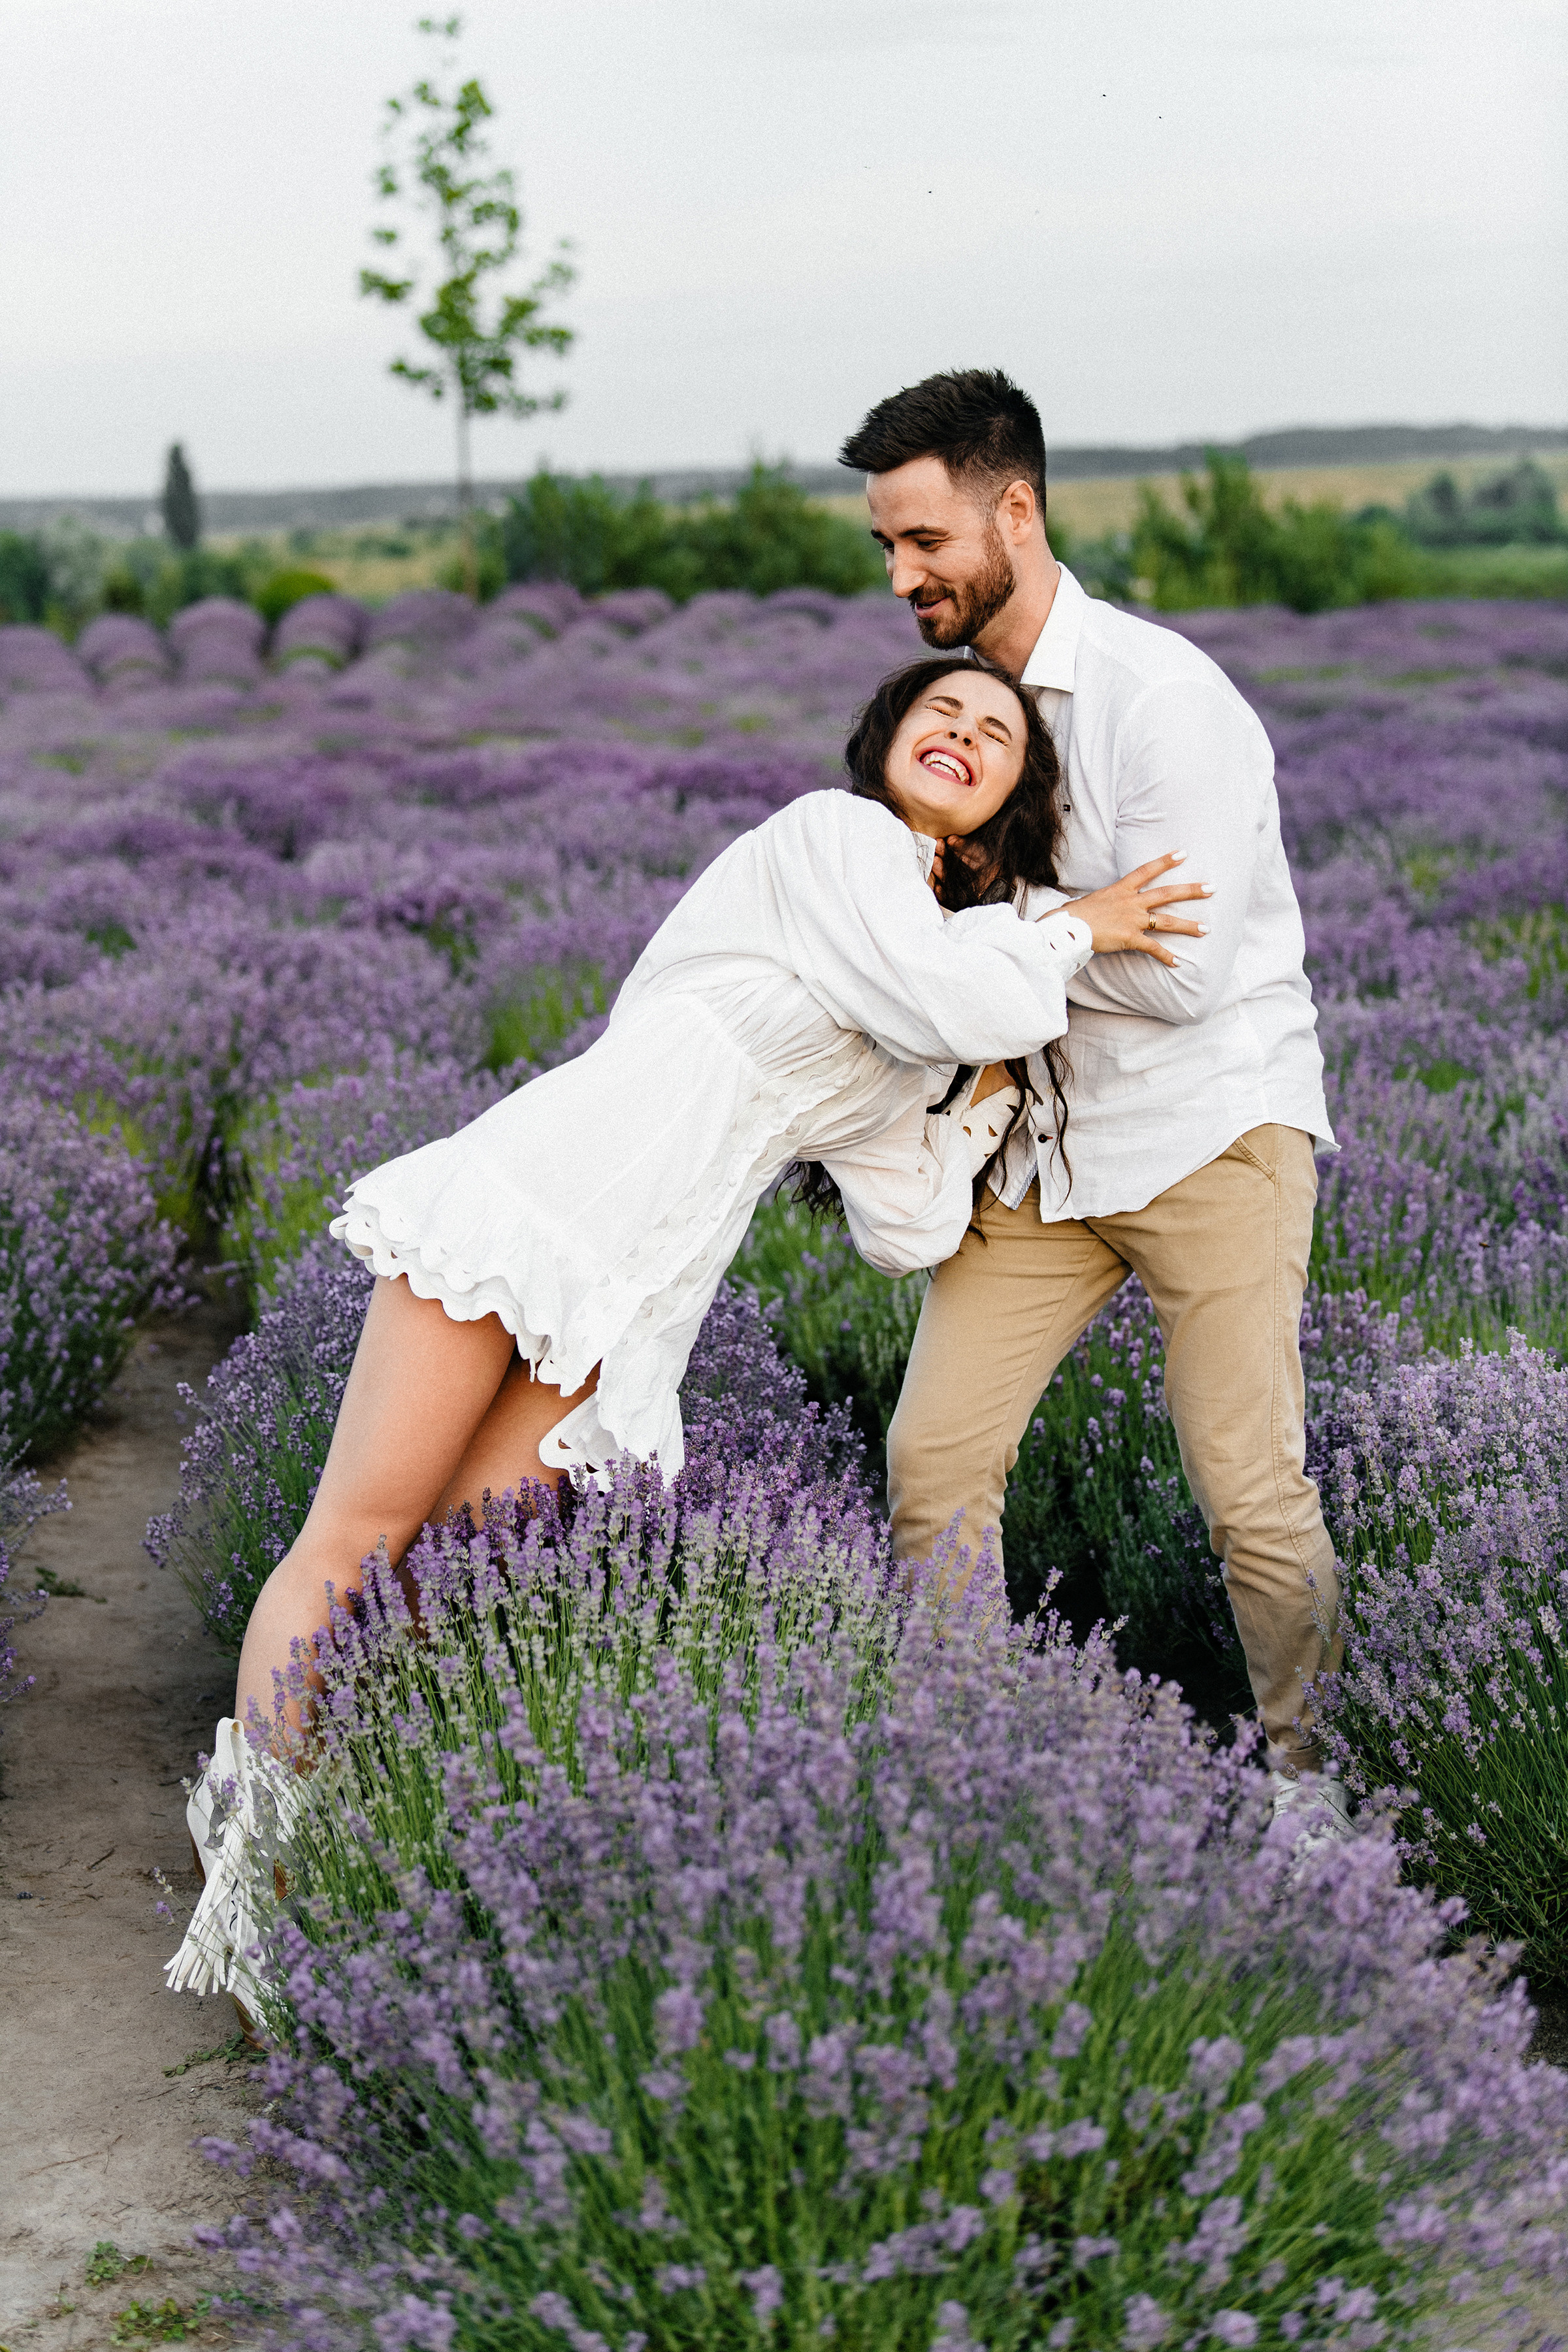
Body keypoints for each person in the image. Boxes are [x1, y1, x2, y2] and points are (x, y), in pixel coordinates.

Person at [167, 653, 1209, 2000]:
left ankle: (330, 1855)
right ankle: (256, 1899)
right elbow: (967, 989)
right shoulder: (834, 845)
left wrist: (993, 1090)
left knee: (441, 1587)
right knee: (358, 1540)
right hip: (539, 1200)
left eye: (995, 732)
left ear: (1008, 801)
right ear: (887, 740)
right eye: (939, 711)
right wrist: (1076, 933)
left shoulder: (930, 980)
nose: (960, 730)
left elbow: (905, 1224)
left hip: (633, 1298)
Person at [840, 369, 1345, 1844]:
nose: (902, 576)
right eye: (886, 546)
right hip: (1044, 1146)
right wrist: (1060, 931)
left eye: (924, 539)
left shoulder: (1163, 700)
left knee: (1249, 1493)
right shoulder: (957, 713)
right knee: (934, 1460)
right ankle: (971, 1776)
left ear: (1015, 509)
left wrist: (993, 939)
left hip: (1210, 1135)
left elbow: (1184, 981)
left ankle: (1321, 1800)